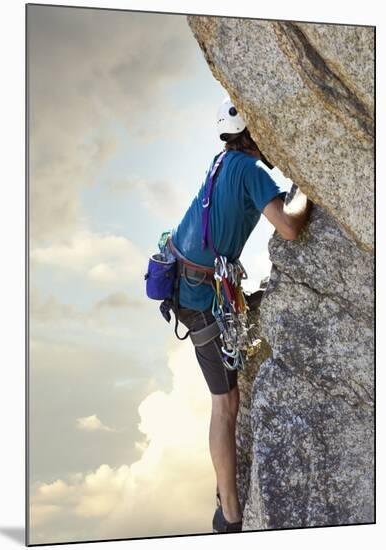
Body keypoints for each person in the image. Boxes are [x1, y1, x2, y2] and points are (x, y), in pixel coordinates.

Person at [170, 96, 311, 533]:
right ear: (252, 132)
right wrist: (307, 189)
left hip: (188, 282)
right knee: (226, 403)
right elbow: (289, 227)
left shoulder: (221, 162)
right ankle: (229, 514)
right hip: (198, 296)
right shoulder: (250, 170)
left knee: (226, 400)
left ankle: (226, 502)